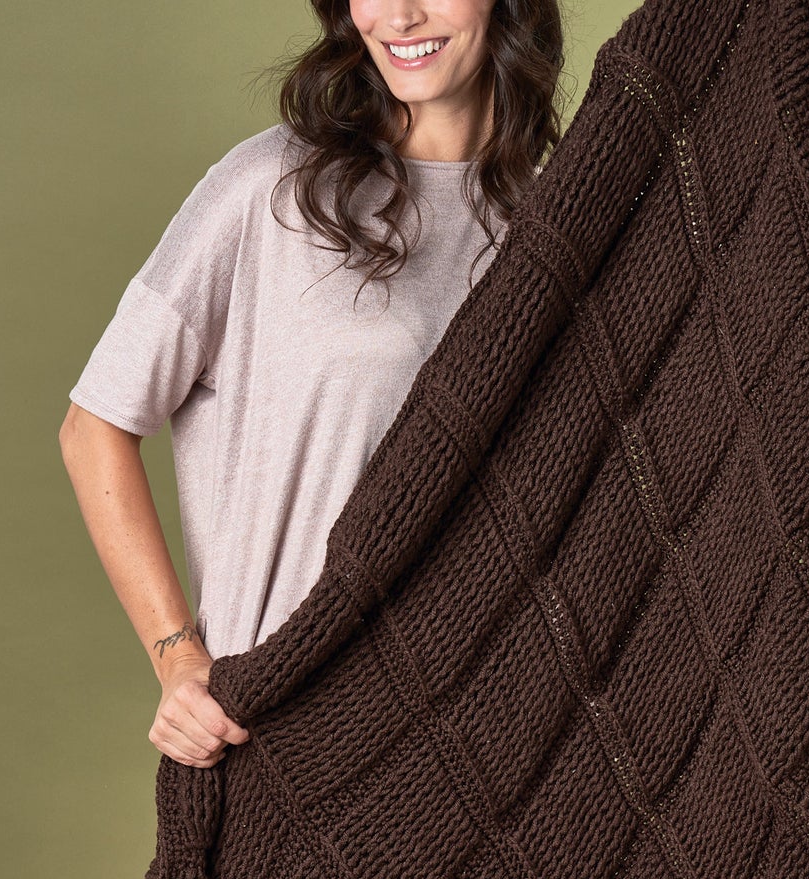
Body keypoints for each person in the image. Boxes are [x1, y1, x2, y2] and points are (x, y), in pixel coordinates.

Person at [57, 0, 563, 769]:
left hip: (487, 748)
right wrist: (178, 657)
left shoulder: (551, 228)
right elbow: (92, 427)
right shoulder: (273, 187)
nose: (399, 13)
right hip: (280, 734)